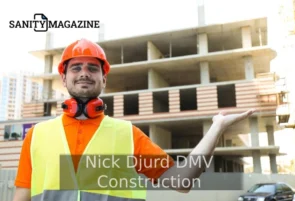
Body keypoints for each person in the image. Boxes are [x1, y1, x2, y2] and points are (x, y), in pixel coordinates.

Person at [12, 38, 255, 201]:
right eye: (75, 68)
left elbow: (182, 180)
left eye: (92, 68)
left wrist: (217, 127)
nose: (84, 73)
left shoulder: (127, 134)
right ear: (63, 79)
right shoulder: (37, 136)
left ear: (103, 80)